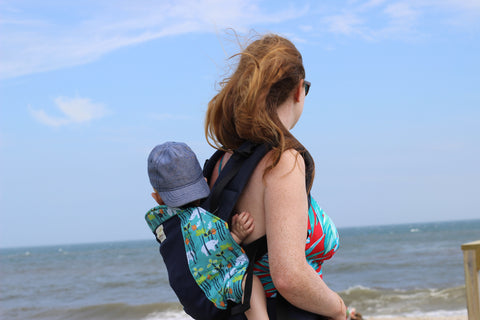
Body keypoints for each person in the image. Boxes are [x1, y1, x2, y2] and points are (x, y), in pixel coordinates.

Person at [204, 33, 346, 320]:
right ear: (297, 91)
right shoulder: (282, 161)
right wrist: (339, 309)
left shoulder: (220, 165)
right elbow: (289, 277)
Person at [146, 141, 269, 320]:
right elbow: (215, 250)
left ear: (156, 197)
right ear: (204, 182)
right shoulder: (198, 219)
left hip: (191, 302)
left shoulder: (162, 226)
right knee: (250, 284)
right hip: (209, 299)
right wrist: (237, 234)